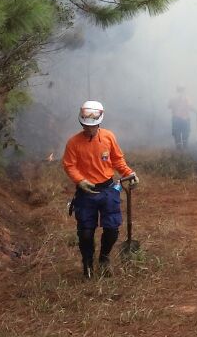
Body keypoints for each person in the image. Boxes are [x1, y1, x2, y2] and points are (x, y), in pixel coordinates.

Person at [61, 100, 139, 279]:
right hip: (86, 193)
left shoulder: (108, 137)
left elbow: (118, 160)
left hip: (108, 190)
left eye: (94, 125)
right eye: (86, 125)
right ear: (81, 122)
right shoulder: (73, 143)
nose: (90, 129)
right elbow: (69, 165)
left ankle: (104, 258)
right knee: (86, 233)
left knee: (112, 229)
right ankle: (87, 263)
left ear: (99, 122)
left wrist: (129, 173)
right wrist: (80, 181)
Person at [168, 86, 197, 150]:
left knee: (177, 133)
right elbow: (190, 107)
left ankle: (179, 149)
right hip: (185, 119)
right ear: (183, 90)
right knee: (185, 133)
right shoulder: (187, 98)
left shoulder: (173, 98)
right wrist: (196, 111)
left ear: (177, 90)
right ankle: (185, 148)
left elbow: (169, 106)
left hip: (176, 119)